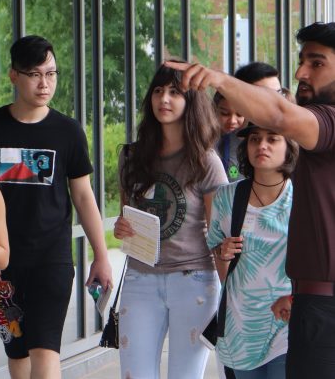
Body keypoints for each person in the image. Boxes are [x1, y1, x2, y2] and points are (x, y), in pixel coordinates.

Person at [166, 22, 335, 377]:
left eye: (316, 63)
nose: (302, 72)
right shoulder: (233, 195)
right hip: (309, 303)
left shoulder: (328, 121)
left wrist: (219, 80)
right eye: (301, 60)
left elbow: (279, 115)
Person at [0, 35, 111, 379]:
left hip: (51, 258)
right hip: (1, 260)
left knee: (45, 347)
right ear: (14, 76)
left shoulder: (67, 131)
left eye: (51, 74)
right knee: (18, 350)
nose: (45, 83)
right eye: (35, 74)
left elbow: (84, 196)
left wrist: (100, 254)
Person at [113, 64, 227, 379]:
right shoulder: (132, 157)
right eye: (159, 91)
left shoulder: (205, 162)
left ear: (191, 101)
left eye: (175, 92)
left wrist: (231, 292)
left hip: (194, 281)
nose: (164, 98)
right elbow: (127, 217)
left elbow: (218, 234)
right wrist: (121, 228)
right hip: (140, 279)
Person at [207, 123, 297, 378]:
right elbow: (219, 258)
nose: (262, 146)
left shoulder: (302, 197)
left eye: (272, 139)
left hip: (287, 325)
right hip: (240, 328)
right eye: (255, 139)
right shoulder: (226, 197)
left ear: (288, 147)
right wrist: (223, 253)